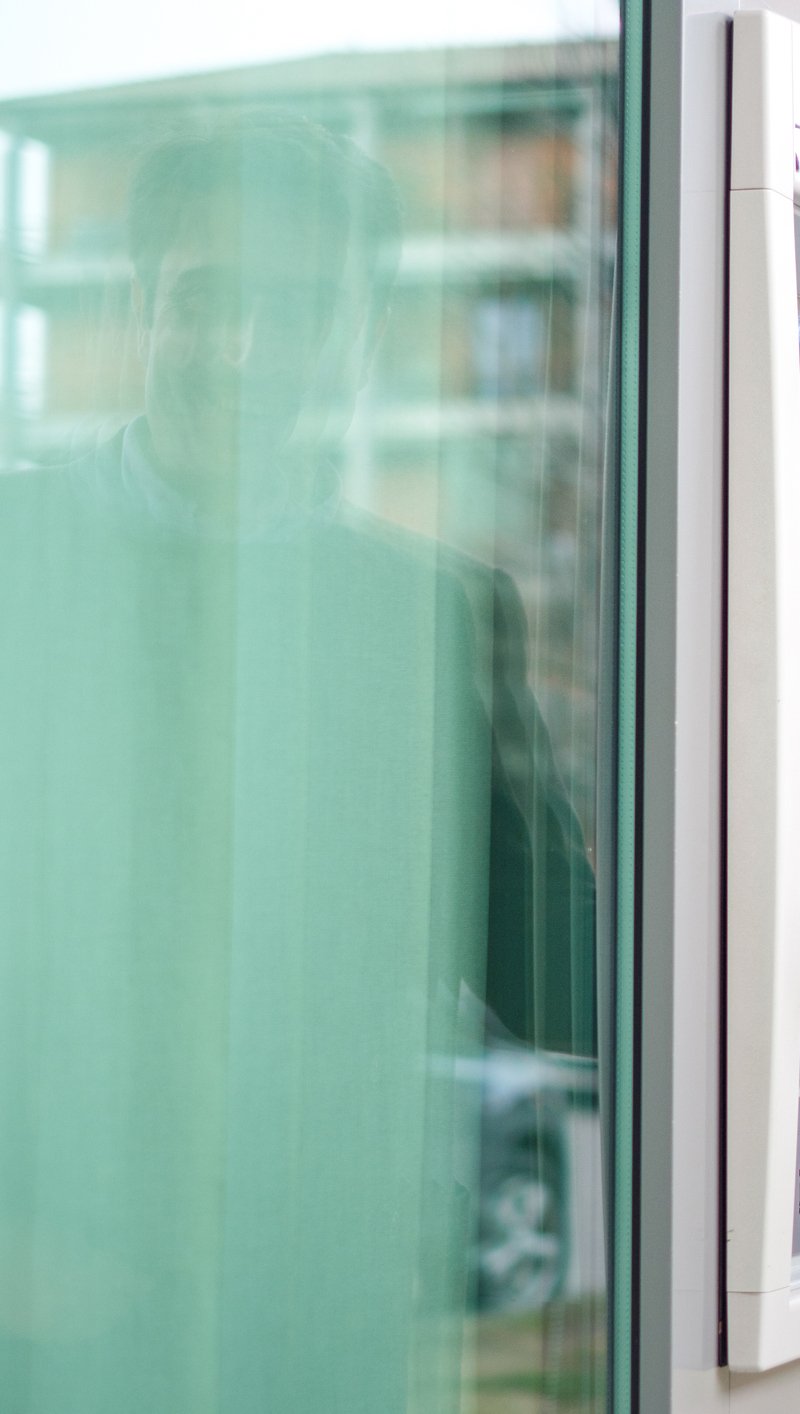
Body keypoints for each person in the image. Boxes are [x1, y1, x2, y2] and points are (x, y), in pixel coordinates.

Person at [0, 112, 592, 1411]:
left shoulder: (434, 617)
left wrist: (794, 978)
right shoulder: (11, 559)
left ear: (358, 335)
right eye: (206, 299)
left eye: (294, 307)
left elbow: (563, 978)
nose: (246, 349)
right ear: (141, 304)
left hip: (320, 1316)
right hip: (36, 1305)